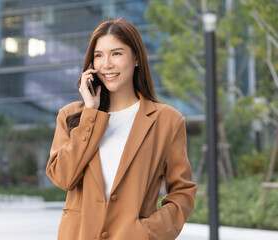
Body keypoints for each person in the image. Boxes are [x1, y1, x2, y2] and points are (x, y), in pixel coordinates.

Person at [46, 18, 197, 240]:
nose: (106, 64)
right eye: (99, 55)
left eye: (116, 53)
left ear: (136, 58)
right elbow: (63, 178)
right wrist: (90, 114)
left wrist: (147, 232)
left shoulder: (167, 121)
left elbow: (183, 193)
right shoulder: (71, 116)